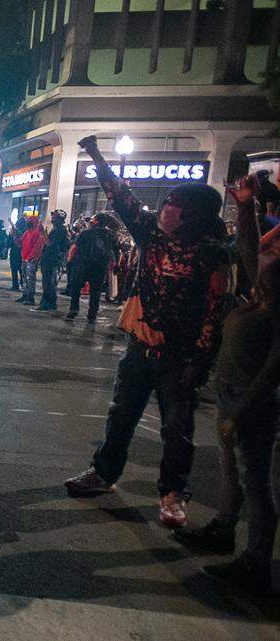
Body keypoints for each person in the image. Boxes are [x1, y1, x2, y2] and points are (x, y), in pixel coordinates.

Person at [64, 135, 230, 529]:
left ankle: (173, 495)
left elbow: (214, 310)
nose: (165, 208)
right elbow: (121, 197)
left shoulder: (211, 252)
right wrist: (95, 154)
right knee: (122, 414)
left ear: (192, 213)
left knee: (177, 429)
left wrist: (201, 361)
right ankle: (104, 473)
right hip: (140, 346)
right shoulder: (152, 237)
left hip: (181, 356)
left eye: (174, 204)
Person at [172, 174, 280, 594]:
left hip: (252, 400)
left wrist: (239, 410)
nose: (260, 265)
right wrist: (245, 207)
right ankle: (223, 527)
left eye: (271, 263)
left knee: (256, 480)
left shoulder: (273, 311)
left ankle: (256, 561)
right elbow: (251, 252)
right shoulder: (263, 297)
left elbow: (274, 369)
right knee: (231, 469)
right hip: (231, 391)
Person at [65, 213, 116, 322]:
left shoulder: (86, 233)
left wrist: (69, 261)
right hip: (100, 267)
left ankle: (73, 310)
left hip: (83, 264)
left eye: (93, 218)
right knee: (95, 292)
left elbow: (74, 248)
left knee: (76, 288)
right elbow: (113, 251)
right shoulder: (110, 235)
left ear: (96, 221)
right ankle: (92, 316)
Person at [35, 210, 70, 311]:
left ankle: (45, 303)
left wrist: (42, 232)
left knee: (48, 282)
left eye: (54, 217)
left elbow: (50, 244)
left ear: (60, 219)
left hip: (52, 259)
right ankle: (52, 303)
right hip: (49, 258)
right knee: (50, 282)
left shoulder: (60, 230)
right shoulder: (56, 229)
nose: (52, 219)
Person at [17, 212, 45, 305]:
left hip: (31, 260)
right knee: (24, 278)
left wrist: (31, 257)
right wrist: (14, 236)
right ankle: (25, 295)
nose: (28, 223)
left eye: (30, 221)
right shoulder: (26, 232)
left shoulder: (37, 233)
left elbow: (38, 247)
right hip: (25, 258)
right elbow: (20, 243)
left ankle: (30, 298)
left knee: (30, 279)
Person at [9, 218, 25, 291]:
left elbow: (9, 242)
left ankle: (16, 285)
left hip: (16, 252)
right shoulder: (26, 231)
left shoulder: (16, 232)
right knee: (21, 270)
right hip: (21, 253)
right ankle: (21, 284)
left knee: (15, 270)